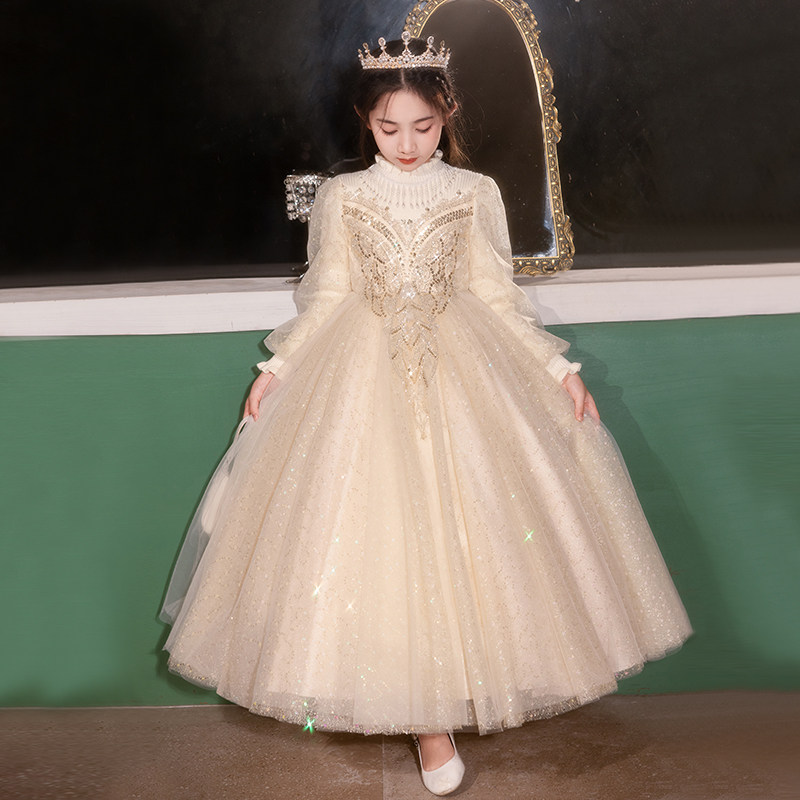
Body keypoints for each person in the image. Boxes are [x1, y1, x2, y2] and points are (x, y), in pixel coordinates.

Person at [160, 32, 692, 796]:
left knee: (480, 535)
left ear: (447, 114)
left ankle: (453, 691)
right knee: (372, 535)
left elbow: (496, 295)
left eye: (423, 126)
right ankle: (425, 722)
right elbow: (329, 293)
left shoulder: (474, 192)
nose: (407, 144)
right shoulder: (344, 197)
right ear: (365, 121)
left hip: (465, 371)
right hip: (360, 374)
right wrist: (278, 369)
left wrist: (558, 370)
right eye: (389, 128)